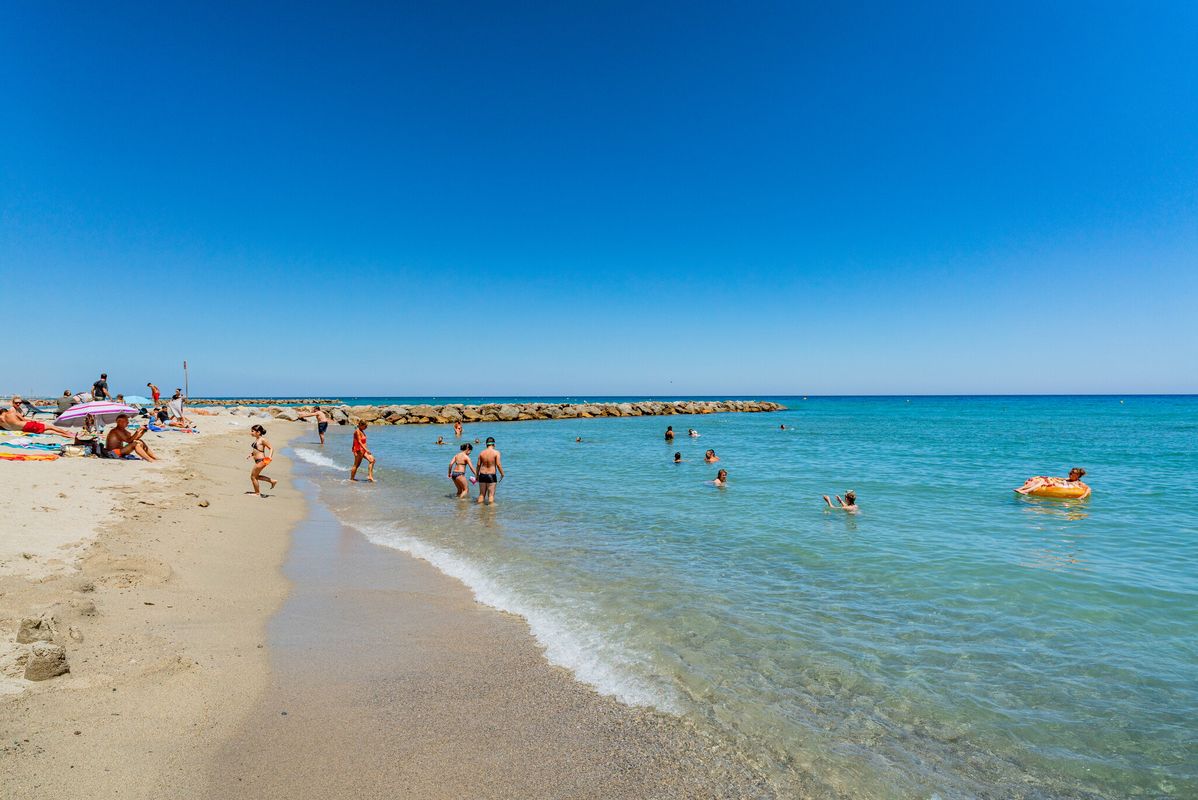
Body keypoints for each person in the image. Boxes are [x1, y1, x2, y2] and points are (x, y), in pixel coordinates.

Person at [1, 397, 76, 438]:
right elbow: (23, 419)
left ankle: (67, 435)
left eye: (20, 403)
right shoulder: (12, 410)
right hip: (27, 426)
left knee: (50, 431)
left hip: (24, 428)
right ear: (12, 403)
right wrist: (36, 421)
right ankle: (67, 433)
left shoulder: (4, 418)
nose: (18, 404)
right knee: (50, 426)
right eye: (16, 403)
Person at [246, 424, 277, 495]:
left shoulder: (263, 440)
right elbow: (257, 449)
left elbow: (271, 448)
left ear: (258, 432)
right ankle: (272, 481)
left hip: (262, 460)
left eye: (252, 431)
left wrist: (270, 457)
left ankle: (257, 493)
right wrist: (251, 454)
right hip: (258, 461)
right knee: (256, 476)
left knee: (253, 477)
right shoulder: (257, 439)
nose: (251, 432)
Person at [1015, 468, 1088, 495]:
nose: (1070, 475)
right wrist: (1050, 478)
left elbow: (1088, 489)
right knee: (1039, 481)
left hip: (1057, 487)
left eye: (1072, 474)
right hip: (1054, 484)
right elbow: (1059, 479)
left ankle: (1025, 491)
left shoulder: (1079, 482)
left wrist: (1082, 497)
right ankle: (1021, 488)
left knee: (1042, 482)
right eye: (1070, 473)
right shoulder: (1067, 479)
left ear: (1077, 476)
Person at [476, 436, 504, 505]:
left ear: (486, 444)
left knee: (481, 495)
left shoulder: (481, 453)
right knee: (491, 496)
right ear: (494, 444)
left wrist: (477, 475)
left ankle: (479, 510)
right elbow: (498, 464)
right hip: (491, 475)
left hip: (482, 475)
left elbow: (478, 465)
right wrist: (502, 474)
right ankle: (491, 513)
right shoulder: (496, 452)